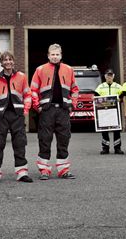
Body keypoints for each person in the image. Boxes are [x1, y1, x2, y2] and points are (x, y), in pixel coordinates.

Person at [31, 43, 79, 180]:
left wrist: (72, 105)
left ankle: (63, 170)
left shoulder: (69, 69)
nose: (55, 57)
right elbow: (33, 89)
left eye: (57, 54)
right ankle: (44, 170)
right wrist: (37, 106)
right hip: (47, 110)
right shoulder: (40, 69)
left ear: (61, 55)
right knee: (44, 140)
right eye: (52, 54)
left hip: (63, 110)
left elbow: (75, 89)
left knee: (64, 139)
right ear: (48, 55)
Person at [0, 51, 33, 184]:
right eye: (5, 60)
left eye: (10, 59)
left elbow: (27, 94)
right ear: (1, 63)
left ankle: (22, 173)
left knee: (20, 144)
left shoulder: (21, 77)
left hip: (17, 115)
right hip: (0, 115)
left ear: (13, 61)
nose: (8, 62)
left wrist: (25, 109)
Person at [95, 69, 125, 154]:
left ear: (113, 76)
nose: (109, 77)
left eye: (111, 75)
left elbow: (123, 94)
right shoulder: (101, 86)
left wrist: (120, 99)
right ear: (105, 76)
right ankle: (105, 148)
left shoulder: (118, 86)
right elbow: (96, 96)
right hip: (104, 112)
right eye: (108, 75)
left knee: (117, 130)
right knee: (104, 130)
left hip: (115, 112)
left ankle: (117, 148)